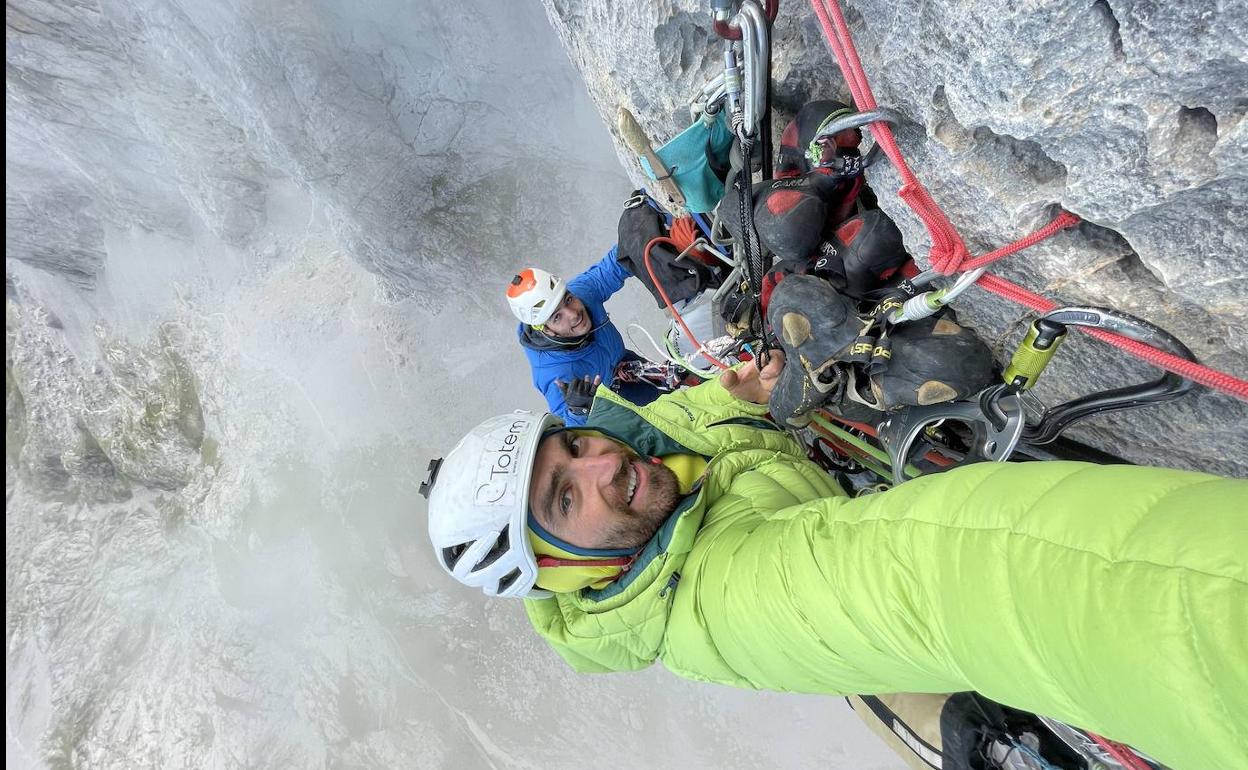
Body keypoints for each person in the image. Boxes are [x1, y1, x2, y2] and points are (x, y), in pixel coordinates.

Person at [422, 350, 1247, 770]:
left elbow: (681, 421)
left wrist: (737, 395)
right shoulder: (725, 605)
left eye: (573, 443)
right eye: (564, 500)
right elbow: (980, 575)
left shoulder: (652, 468)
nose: (602, 465)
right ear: (565, 572)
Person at [507, 252, 669, 427]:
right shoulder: (555, 373)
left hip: (624, 365)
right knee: (665, 423)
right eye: (557, 317)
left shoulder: (580, 294)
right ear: (547, 330)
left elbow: (614, 266)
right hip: (605, 404)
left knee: (677, 394)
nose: (574, 314)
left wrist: (635, 240)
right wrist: (579, 411)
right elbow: (567, 432)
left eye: (568, 300)